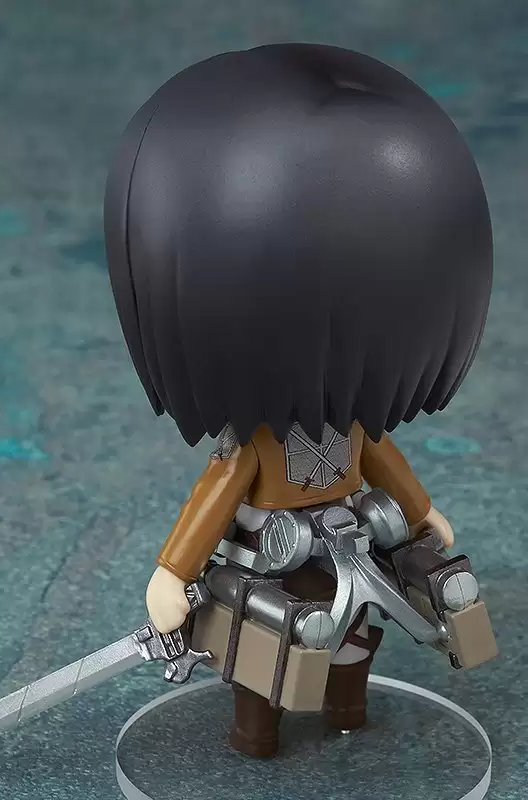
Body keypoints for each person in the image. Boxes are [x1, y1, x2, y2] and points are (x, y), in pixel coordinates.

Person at [104, 43, 493, 757]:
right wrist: (174, 572)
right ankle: (257, 731)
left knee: (363, 632)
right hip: (274, 551)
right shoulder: (257, 443)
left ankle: (348, 705)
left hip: (353, 535)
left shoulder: (353, 422)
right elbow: (219, 492)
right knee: (274, 642)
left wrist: (418, 512)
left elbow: (380, 457)